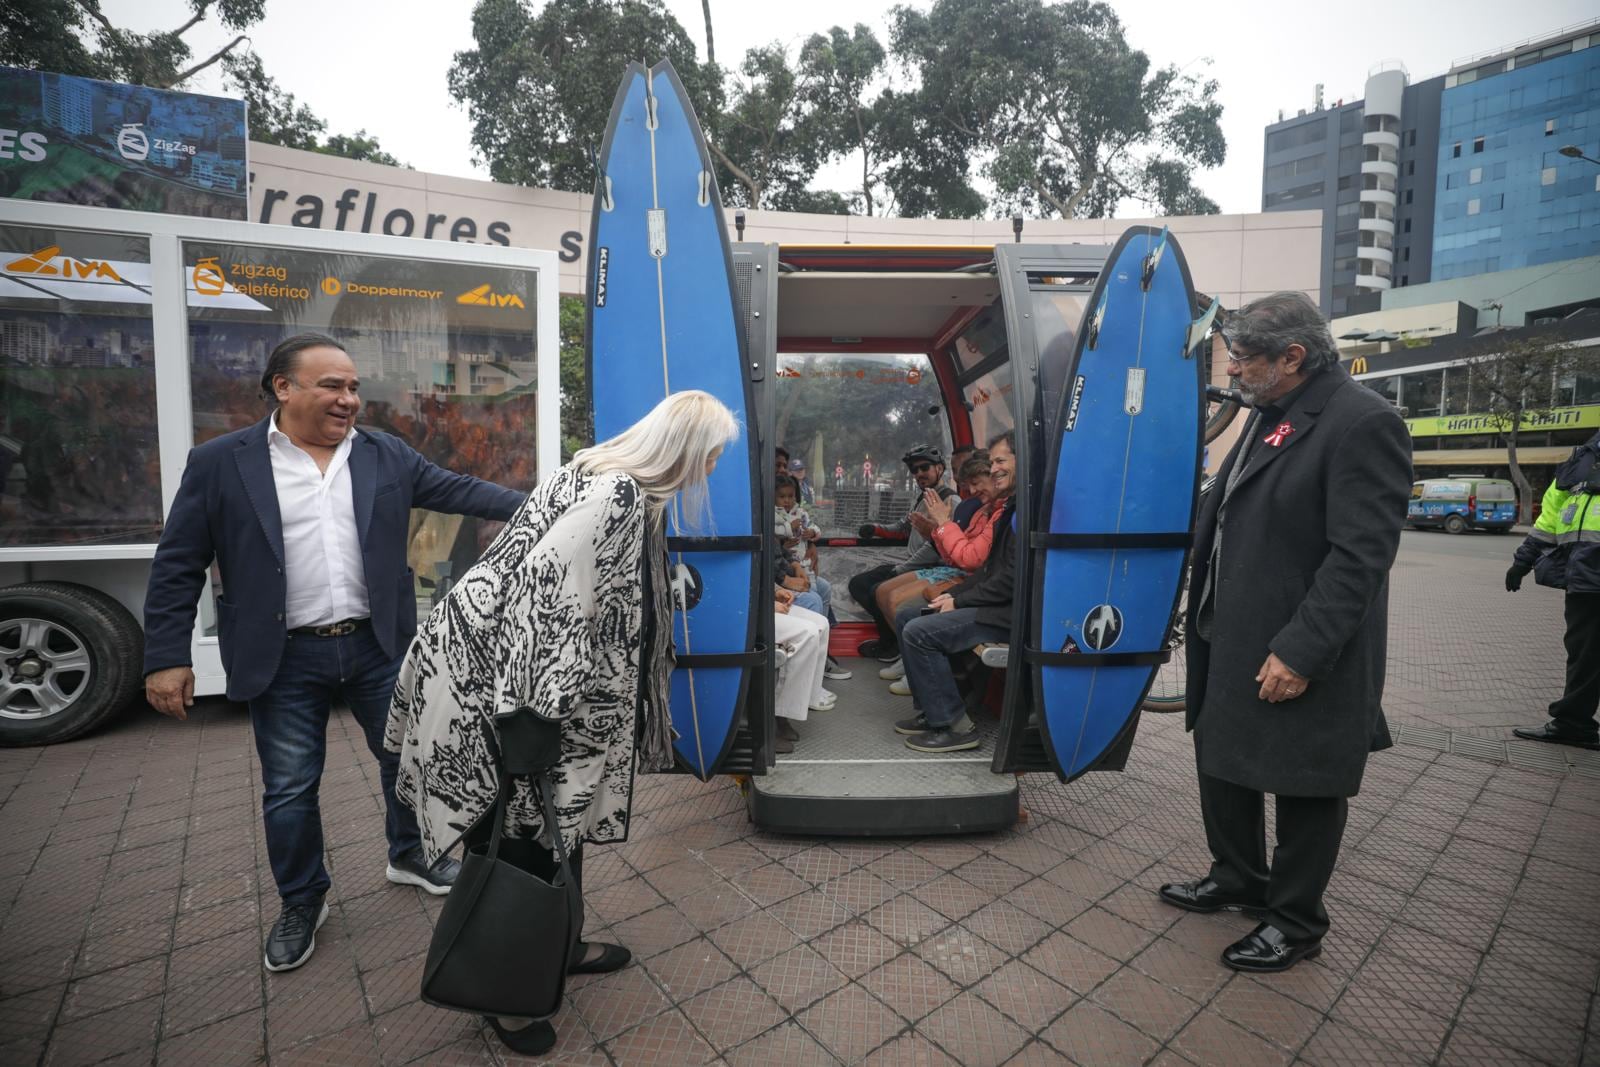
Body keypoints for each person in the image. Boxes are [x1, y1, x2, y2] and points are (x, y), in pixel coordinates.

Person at [141, 333, 525, 975]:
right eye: (332, 386)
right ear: (282, 387)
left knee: (405, 761)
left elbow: (462, 492)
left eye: (352, 387)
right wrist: (165, 655)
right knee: (290, 788)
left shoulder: (385, 454)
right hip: (281, 656)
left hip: (378, 646)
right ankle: (302, 900)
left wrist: (557, 502)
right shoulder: (220, 462)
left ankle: (412, 855)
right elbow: (179, 562)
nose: (349, 399)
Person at [385, 390, 739, 1056]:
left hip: (499, 677)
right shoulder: (617, 495)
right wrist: (533, 710)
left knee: (552, 826)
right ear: (686, 448)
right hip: (508, 690)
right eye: (713, 452)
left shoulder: (598, 477)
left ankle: (555, 944)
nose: (713, 466)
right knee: (518, 837)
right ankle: (503, 994)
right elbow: (547, 593)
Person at [1160, 292, 1412, 974]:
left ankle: (1296, 919)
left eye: (1244, 358)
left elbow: (1359, 557)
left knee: (1305, 784)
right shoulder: (1273, 409)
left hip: (1298, 646)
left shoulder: (1363, 423)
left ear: (1293, 356)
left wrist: (1299, 651)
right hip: (1235, 631)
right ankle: (1239, 875)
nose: (1233, 371)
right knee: (1224, 760)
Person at [889, 432, 1017, 752]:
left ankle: (954, 725)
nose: (994, 470)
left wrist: (959, 598)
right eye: (993, 463)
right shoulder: (1003, 510)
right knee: (909, 616)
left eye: (1000, 462)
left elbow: (1005, 578)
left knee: (919, 631)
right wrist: (955, 596)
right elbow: (988, 571)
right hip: (994, 601)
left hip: (1008, 611)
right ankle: (931, 711)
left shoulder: (1018, 514)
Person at [1505, 428, 1600, 751]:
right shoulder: (1583, 458)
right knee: (1584, 656)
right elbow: (1550, 518)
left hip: (1587, 576)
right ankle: (1573, 724)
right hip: (1585, 580)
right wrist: (1523, 562)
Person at [848, 445, 959, 661]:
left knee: (874, 589)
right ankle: (892, 641)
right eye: (914, 470)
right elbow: (903, 526)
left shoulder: (949, 501)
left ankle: (893, 646)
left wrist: (901, 569)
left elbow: (935, 546)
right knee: (858, 583)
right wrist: (876, 528)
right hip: (911, 563)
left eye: (924, 468)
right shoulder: (923, 499)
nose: (919, 474)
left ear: (940, 469)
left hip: (930, 566)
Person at [773, 587, 836, 753]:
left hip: (758, 601)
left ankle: (783, 711)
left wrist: (775, 590)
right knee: (807, 633)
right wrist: (767, 605)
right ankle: (771, 718)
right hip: (742, 608)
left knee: (821, 623)